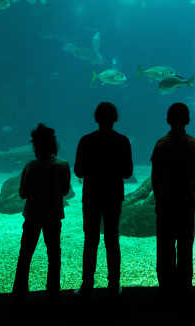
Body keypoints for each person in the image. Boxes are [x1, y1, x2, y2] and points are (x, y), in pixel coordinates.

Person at [74, 102, 133, 298]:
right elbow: (128, 172)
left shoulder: (86, 141)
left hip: (91, 194)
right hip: (113, 194)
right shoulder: (123, 141)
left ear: (96, 118)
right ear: (115, 118)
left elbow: (78, 171)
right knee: (112, 239)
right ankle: (114, 284)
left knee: (90, 239)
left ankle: (87, 284)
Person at [12, 123, 71, 305]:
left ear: (35, 146)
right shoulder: (63, 166)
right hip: (53, 215)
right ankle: (53, 292)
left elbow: (22, 193)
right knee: (54, 254)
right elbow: (64, 191)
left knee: (26, 253)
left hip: (32, 215)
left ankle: (20, 292)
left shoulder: (30, 166)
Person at [151, 102, 195, 296]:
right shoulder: (194, 145)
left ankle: (165, 287)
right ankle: (185, 286)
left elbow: (155, 177)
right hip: (186, 202)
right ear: (188, 120)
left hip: (165, 203)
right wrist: (194, 197)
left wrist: (158, 199)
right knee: (185, 245)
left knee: (165, 246)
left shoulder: (161, 145)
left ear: (168, 119)